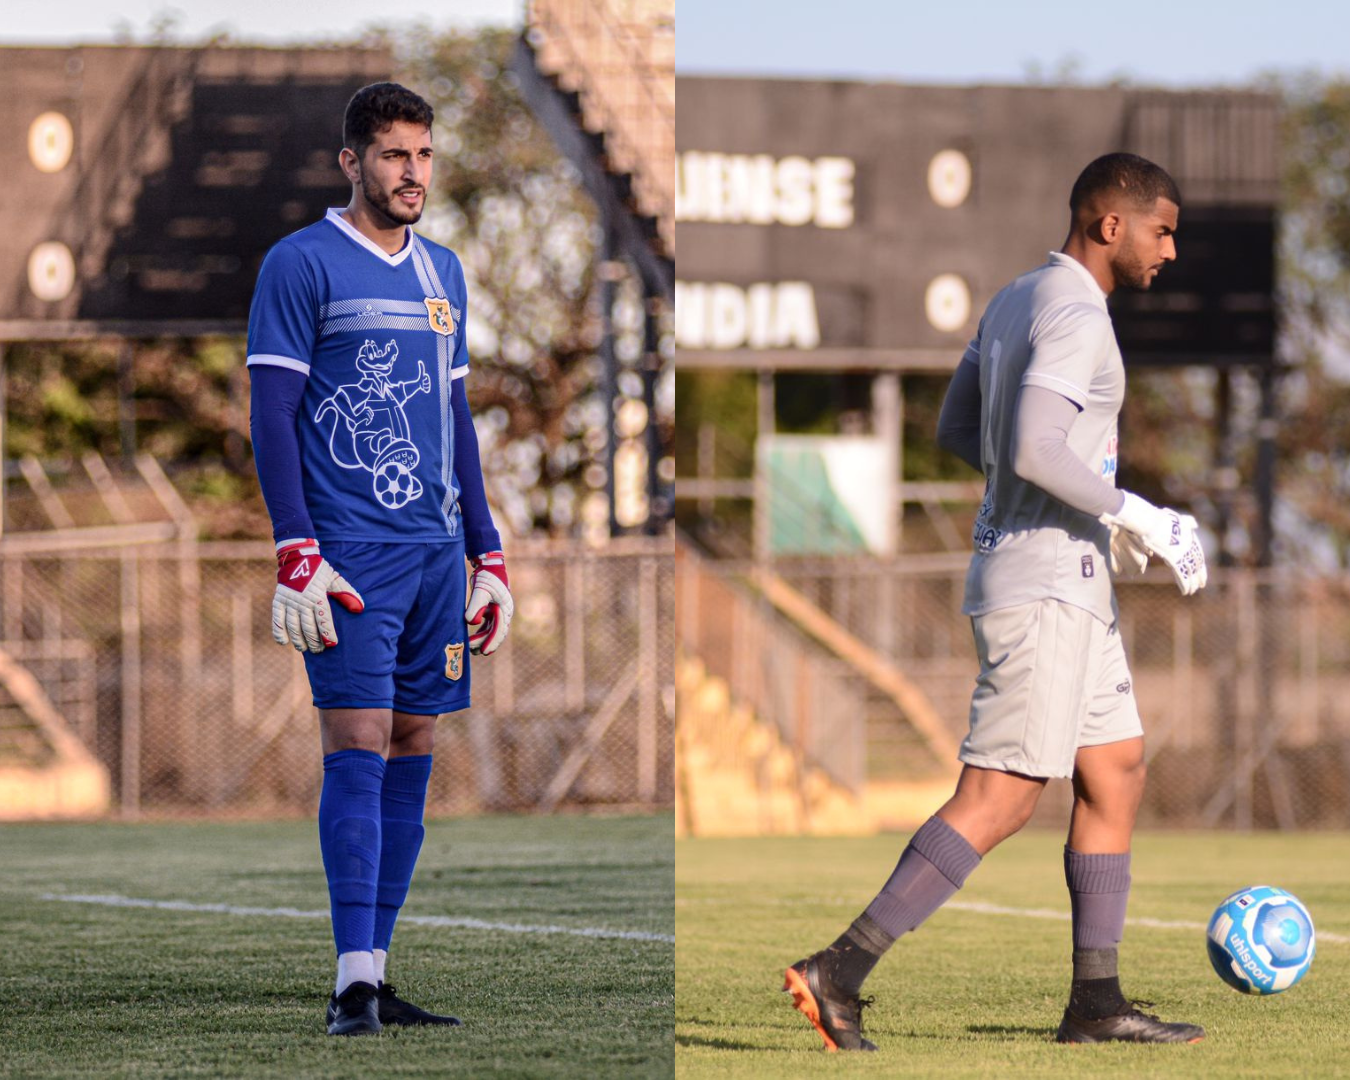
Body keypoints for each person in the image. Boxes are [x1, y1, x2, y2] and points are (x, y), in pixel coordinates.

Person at [783, 152, 1208, 1051]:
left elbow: (956, 428)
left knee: (1116, 769)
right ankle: (838, 972)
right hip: (1045, 586)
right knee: (1003, 795)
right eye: (1162, 230)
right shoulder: (1077, 314)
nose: (1171, 249)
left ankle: (1096, 1004)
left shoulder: (1016, 297)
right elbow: (1032, 449)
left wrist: (1083, 506)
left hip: (1072, 582)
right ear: (1110, 225)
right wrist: (1138, 511)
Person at [247, 81, 514, 1037]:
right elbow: (272, 415)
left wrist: (490, 551)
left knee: (414, 748)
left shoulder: (444, 273)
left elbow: (454, 419)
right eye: (395, 155)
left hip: (438, 555)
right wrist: (295, 549)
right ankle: (349, 985)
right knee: (356, 744)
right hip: (351, 555)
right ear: (352, 161)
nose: (414, 173)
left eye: (425, 155)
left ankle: (377, 975)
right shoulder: (300, 263)